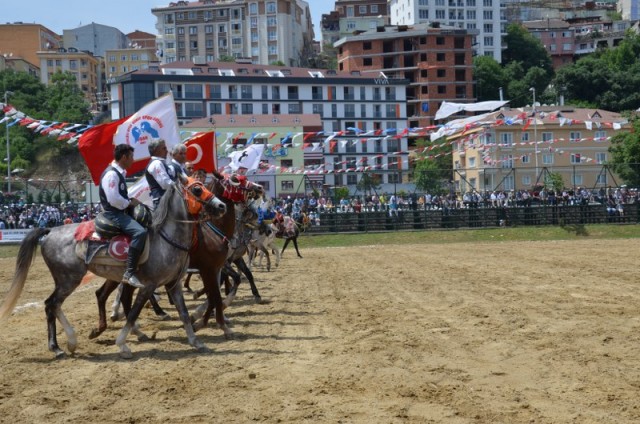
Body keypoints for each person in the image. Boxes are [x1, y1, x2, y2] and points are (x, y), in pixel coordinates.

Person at [99, 144, 146, 289]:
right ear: (124, 157)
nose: (133, 160)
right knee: (140, 232)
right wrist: (129, 203)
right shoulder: (112, 174)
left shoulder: (118, 173)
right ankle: (129, 272)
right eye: (131, 156)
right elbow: (113, 199)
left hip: (118, 211)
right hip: (114, 214)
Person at [145, 139, 174, 209]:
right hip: (162, 201)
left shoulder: (160, 163)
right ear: (156, 150)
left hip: (166, 200)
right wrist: (180, 185)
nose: (167, 151)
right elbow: (165, 184)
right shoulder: (156, 163)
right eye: (164, 148)